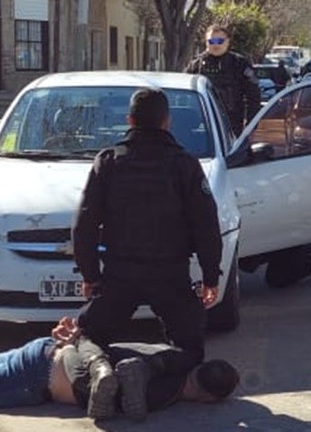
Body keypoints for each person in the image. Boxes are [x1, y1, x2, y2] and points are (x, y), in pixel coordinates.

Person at [71, 87, 223, 418]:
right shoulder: (184, 165)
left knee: (85, 335)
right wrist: (211, 277)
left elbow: (83, 226)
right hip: (169, 276)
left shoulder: (108, 161)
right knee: (191, 348)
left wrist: (89, 275)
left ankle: (99, 367)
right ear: (167, 122)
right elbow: (206, 226)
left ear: (129, 121)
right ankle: (150, 367)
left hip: (118, 276)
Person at [0, 317, 240, 419]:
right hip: (36, 378)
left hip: (44, 349)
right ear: (209, 399)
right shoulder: (163, 393)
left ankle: (98, 365)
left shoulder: (171, 357)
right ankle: (99, 368)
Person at [184, 24, 261, 137]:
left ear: (227, 42)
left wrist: (251, 125)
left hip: (232, 125)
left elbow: (254, 97)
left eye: (220, 40)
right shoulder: (196, 65)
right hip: (201, 124)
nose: (215, 44)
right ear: (206, 42)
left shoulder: (239, 64)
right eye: (211, 41)